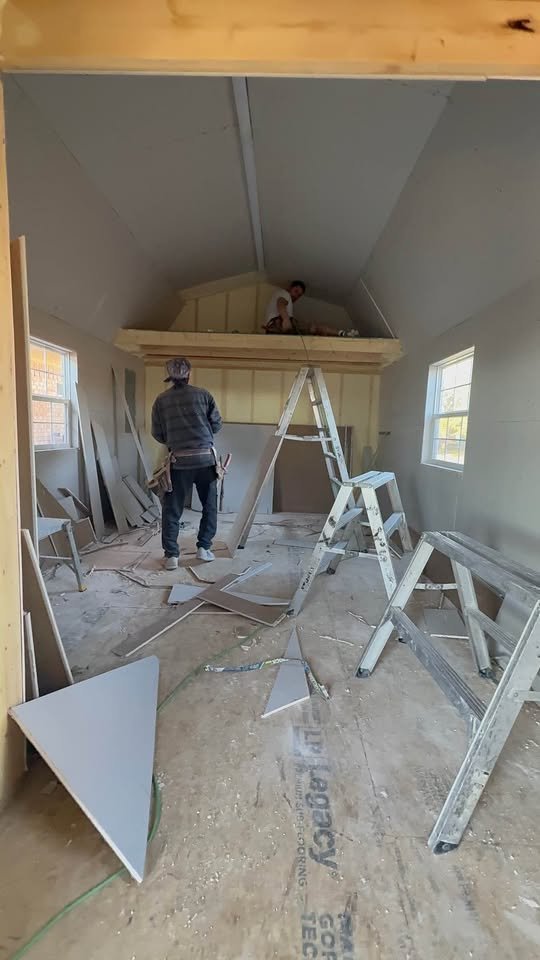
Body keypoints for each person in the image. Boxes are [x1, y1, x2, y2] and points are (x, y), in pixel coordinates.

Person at [151, 357, 222, 569]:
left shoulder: (161, 400)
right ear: (189, 374)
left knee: (172, 509)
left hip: (178, 462)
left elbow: (158, 433)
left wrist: (176, 440)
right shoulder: (204, 395)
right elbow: (216, 425)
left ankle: (172, 556)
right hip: (205, 461)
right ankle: (204, 549)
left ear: (170, 377)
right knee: (209, 506)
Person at [264, 280, 361, 337]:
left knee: (313, 327)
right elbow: (280, 303)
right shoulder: (284, 293)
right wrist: (285, 319)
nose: (296, 296)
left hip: (282, 326)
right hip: (279, 325)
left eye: (299, 295)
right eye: (296, 291)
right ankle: (344, 334)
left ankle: (343, 333)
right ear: (290, 288)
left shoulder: (287, 300)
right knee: (313, 328)